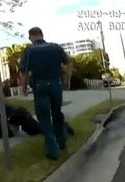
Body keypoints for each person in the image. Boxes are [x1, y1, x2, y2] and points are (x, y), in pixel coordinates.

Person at [20, 27, 73, 160]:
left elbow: (24, 72)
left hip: (40, 85)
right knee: (57, 113)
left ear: (31, 37)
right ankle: (61, 142)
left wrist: (24, 86)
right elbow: (69, 64)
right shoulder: (56, 47)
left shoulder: (30, 51)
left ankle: (53, 150)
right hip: (56, 83)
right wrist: (67, 80)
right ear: (42, 35)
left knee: (44, 117)